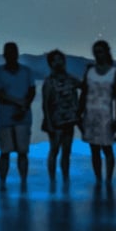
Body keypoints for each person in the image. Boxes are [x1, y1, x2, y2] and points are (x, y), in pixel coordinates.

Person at [0, 42, 36, 187]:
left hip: (24, 118)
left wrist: (23, 107)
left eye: (13, 52)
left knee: (23, 152)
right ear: (4, 55)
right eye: (8, 52)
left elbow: (32, 92)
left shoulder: (26, 71)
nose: (11, 55)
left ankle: (23, 182)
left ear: (17, 54)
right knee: (5, 152)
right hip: (5, 118)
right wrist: (19, 102)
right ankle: (2, 182)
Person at [78, 39, 116, 185]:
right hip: (90, 114)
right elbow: (84, 93)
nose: (98, 55)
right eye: (96, 52)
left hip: (106, 115)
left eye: (101, 52)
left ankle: (108, 179)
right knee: (94, 149)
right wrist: (79, 113)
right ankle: (98, 178)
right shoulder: (89, 72)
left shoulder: (114, 72)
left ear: (106, 52)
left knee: (107, 148)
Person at [40, 49, 82, 185]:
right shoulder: (49, 81)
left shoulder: (70, 79)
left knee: (66, 152)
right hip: (55, 121)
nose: (58, 62)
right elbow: (45, 104)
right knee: (54, 150)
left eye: (60, 59)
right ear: (50, 63)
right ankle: (52, 180)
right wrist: (48, 123)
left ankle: (65, 179)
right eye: (55, 60)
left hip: (69, 120)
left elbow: (85, 86)